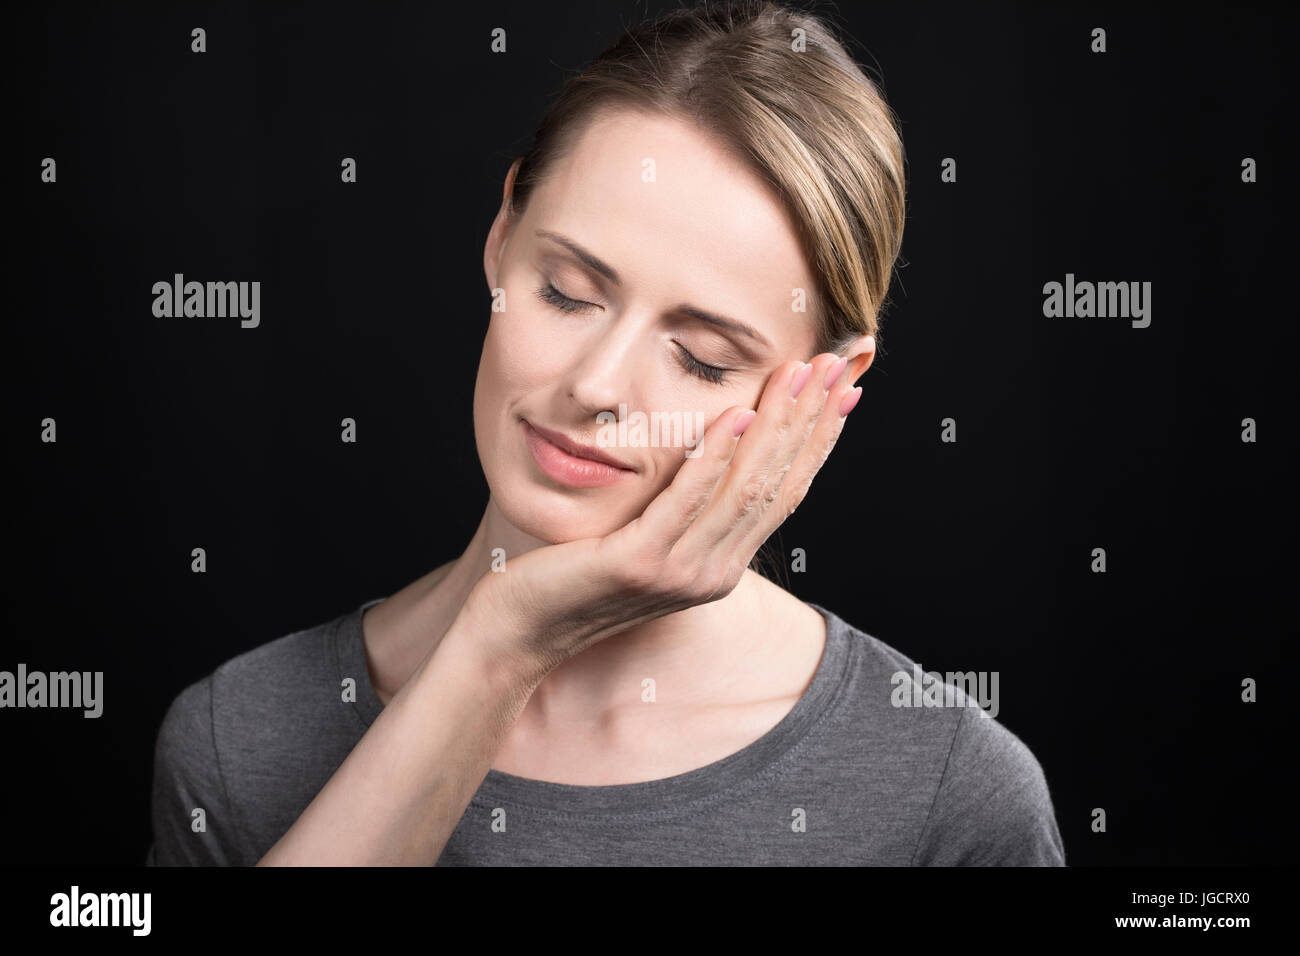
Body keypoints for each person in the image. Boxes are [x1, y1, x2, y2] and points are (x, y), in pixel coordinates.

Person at [147, 0, 1064, 866]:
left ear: (823, 392)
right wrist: (501, 644)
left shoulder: (948, 792)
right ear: (504, 232)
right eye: (566, 293)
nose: (595, 386)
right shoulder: (238, 742)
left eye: (703, 358)